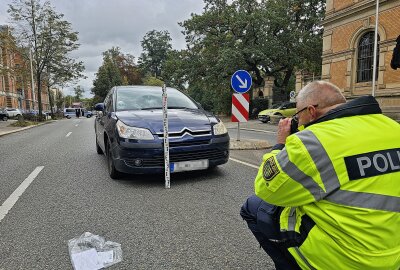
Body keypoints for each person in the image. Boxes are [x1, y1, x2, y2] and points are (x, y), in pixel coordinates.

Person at [240, 81, 400, 270]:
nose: (297, 121)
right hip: (394, 252)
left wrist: (280, 145)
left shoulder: (313, 141)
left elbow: (267, 188)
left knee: (252, 206)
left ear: (311, 111)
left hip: (350, 259)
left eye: (297, 115)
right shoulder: (393, 128)